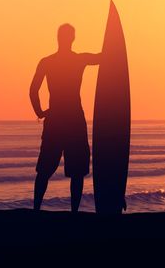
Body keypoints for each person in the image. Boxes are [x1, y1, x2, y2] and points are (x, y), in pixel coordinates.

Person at [29, 23, 101, 212]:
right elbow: (105, 57)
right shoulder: (79, 60)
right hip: (74, 119)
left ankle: (36, 209)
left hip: (55, 119)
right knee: (75, 172)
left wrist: (40, 111)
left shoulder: (47, 62)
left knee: (45, 169)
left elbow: (33, 90)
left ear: (58, 37)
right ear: (73, 38)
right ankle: (74, 212)